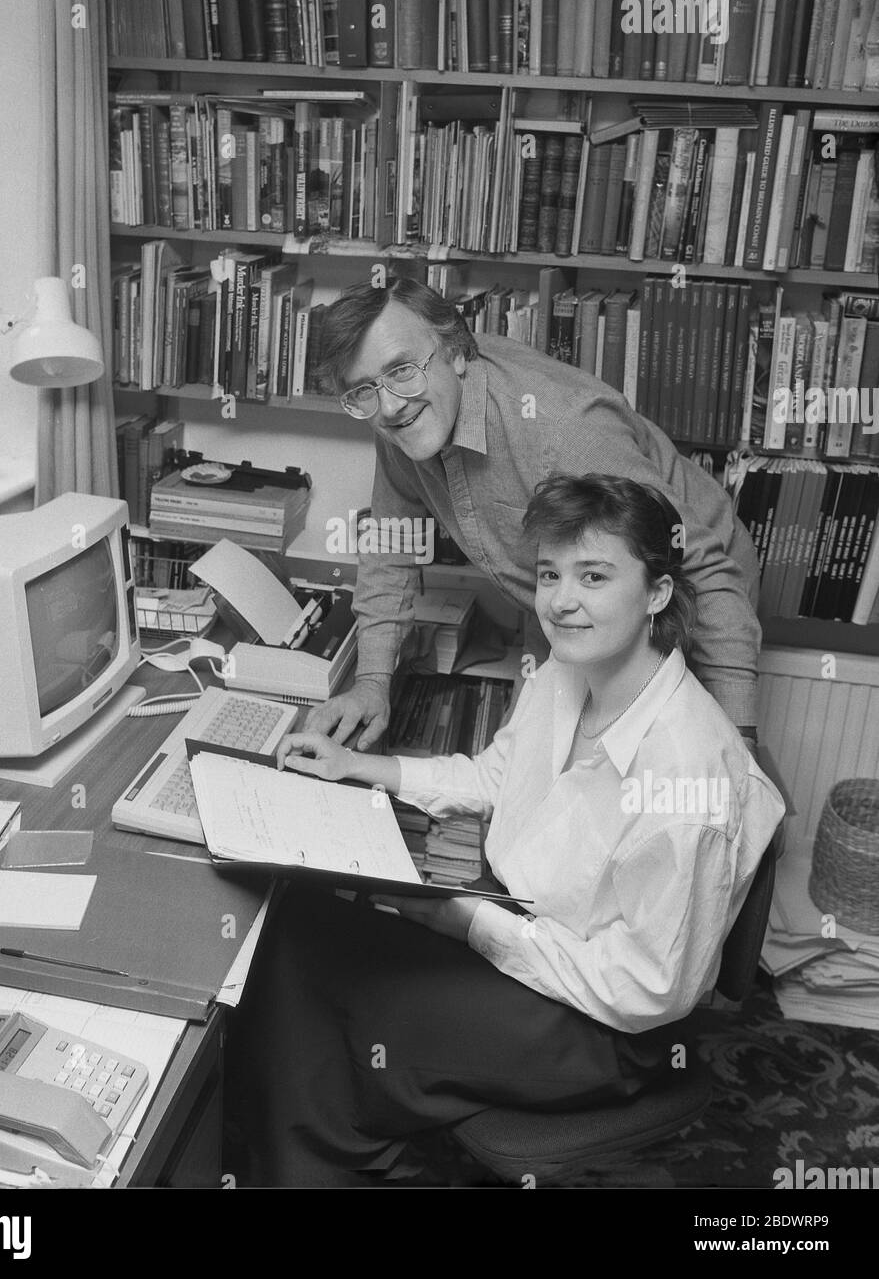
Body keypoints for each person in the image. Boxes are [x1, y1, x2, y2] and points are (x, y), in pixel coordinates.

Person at [224, 475, 784, 1188]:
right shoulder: (568, 671)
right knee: (299, 928)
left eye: (593, 575)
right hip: (530, 937)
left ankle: (317, 1155)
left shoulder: (685, 774)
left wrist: (468, 926)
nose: (561, 600)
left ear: (656, 594)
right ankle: (314, 1148)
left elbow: (648, 989)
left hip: (605, 1026)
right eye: (549, 574)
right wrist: (360, 766)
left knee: (351, 1012)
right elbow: (495, 778)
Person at [302, 278, 763, 753]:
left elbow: (700, 568)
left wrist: (740, 739)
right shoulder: (399, 413)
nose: (390, 406)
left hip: (686, 590)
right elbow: (391, 548)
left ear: (457, 354)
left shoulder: (566, 431)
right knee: (530, 769)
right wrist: (373, 682)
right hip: (571, 602)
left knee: (688, 776)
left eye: (402, 370)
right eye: (364, 390)